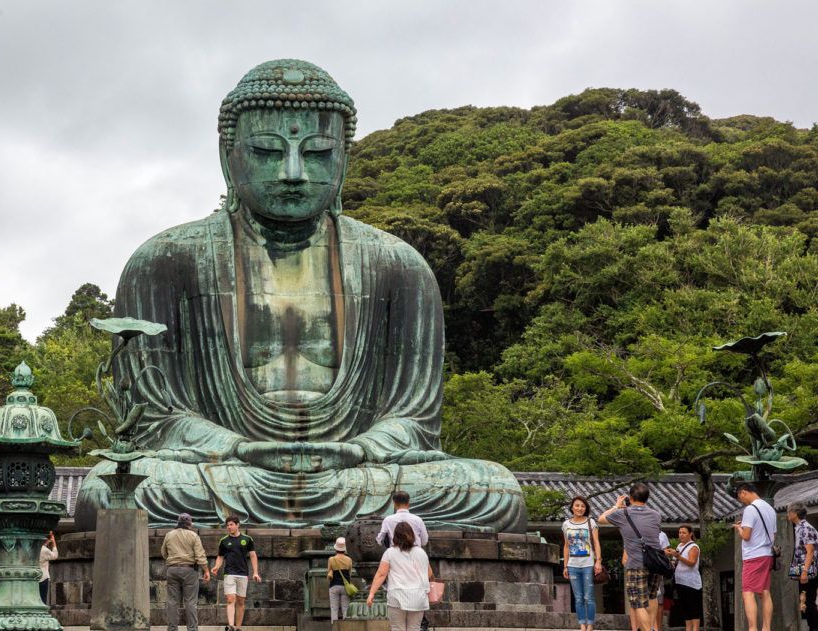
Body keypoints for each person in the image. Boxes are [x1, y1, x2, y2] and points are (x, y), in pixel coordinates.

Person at [72, 58, 526, 534]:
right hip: (225, 468)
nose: (292, 172)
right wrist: (237, 448)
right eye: (268, 151)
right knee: (110, 488)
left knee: (492, 489)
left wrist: (363, 448)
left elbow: (413, 420)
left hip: (356, 468)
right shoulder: (165, 260)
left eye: (316, 152)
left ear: (343, 160)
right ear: (229, 157)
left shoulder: (399, 266)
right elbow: (156, 417)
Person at [599, 483, 663, 631]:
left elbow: (601, 518)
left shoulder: (623, 514)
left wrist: (617, 505)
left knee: (638, 603)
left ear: (630, 497)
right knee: (652, 597)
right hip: (656, 563)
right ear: (647, 498)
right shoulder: (656, 515)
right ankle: (653, 627)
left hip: (636, 564)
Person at [366, 522, 431, 631]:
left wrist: (372, 593)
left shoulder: (390, 553)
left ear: (394, 536)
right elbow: (429, 573)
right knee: (414, 628)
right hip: (418, 597)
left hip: (397, 596)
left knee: (397, 628)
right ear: (412, 535)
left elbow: (381, 574)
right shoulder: (421, 553)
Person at [733, 482, 776, 631]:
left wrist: (739, 528)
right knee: (765, 592)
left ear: (744, 492)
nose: (741, 501)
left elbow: (746, 535)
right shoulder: (770, 508)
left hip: (753, 556)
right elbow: (774, 535)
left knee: (748, 592)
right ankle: (766, 628)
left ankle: (752, 628)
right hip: (767, 554)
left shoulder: (750, 509)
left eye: (740, 497)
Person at [161, 513, 210, 631]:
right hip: (189, 570)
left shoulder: (169, 535)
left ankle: (172, 628)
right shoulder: (193, 535)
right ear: (190, 524)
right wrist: (206, 571)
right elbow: (200, 556)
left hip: (172, 570)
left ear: (178, 522)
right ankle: (192, 629)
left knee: (172, 602)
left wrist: (173, 559)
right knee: (190, 602)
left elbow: (163, 553)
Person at [211, 516, 261, 631]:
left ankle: (238, 627)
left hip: (243, 574)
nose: (229, 527)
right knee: (230, 599)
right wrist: (216, 567)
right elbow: (220, 557)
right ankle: (231, 626)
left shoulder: (247, 539)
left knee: (240, 601)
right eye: (227, 525)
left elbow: (253, 556)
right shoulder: (224, 541)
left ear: (238, 525)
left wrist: (256, 572)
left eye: (231, 524)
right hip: (229, 573)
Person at [562, 496, 601, 631]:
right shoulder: (566, 524)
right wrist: (565, 566)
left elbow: (596, 543)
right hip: (572, 566)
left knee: (588, 597)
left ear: (586, 508)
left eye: (583, 506)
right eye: (577, 505)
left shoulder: (591, 522)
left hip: (588, 564)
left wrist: (598, 562)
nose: (580, 508)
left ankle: (590, 624)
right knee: (578, 598)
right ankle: (582, 625)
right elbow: (566, 546)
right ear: (572, 507)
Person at [665, 525, 701, 631]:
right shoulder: (679, 545)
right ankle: (688, 629)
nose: (681, 535)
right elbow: (676, 562)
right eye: (680, 532)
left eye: (684, 532)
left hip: (691, 583)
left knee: (693, 608)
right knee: (685, 609)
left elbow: (691, 563)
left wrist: (678, 556)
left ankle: (695, 629)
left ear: (690, 534)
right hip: (680, 581)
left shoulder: (693, 547)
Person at [788, 503, 818, 630]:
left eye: (789, 512)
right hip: (805, 569)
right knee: (805, 601)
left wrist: (805, 571)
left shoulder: (805, 528)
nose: (788, 514)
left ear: (795, 513)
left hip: (808, 570)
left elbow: (810, 551)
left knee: (807, 601)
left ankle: (814, 627)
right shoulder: (799, 528)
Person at [327, 537, 353, 623]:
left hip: (334, 585)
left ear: (336, 548)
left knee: (334, 609)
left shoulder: (331, 559)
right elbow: (349, 574)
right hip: (345, 586)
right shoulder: (349, 560)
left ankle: (334, 627)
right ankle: (345, 627)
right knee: (345, 608)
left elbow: (329, 571)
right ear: (344, 549)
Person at [39, 532, 58, 606]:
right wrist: (53, 543)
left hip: (35, 577)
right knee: (42, 600)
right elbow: (55, 556)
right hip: (43, 577)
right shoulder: (44, 550)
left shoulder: (35, 548)